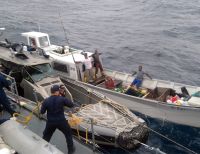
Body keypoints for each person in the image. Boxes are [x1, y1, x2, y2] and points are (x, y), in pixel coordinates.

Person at [40, 84, 75, 154]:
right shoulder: (61, 99)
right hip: (61, 121)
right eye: (59, 91)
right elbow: (71, 104)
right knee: (68, 134)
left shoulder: (46, 101)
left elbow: (42, 112)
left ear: (51, 92)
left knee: (46, 136)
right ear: (57, 92)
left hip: (51, 122)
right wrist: (63, 95)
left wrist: (43, 105)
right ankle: (70, 151)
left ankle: (42, 150)